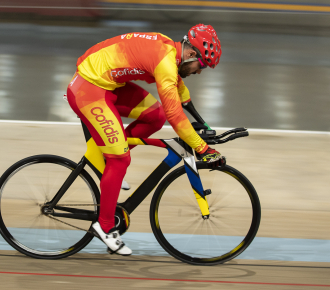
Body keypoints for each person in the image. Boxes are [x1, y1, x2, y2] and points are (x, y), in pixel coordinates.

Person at [66, 24, 223, 256]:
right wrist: (202, 148)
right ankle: (105, 226)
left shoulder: (170, 49)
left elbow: (180, 93)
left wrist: (203, 123)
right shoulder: (165, 63)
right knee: (120, 160)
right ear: (191, 54)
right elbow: (175, 115)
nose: (199, 72)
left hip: (105, 82)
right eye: (201, 66)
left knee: (154, 116)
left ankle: (111, 155)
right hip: (88, 89)